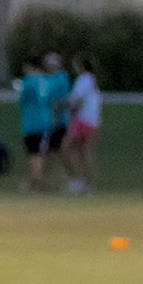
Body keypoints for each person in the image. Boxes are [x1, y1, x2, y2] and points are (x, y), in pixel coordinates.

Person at [18, 52, 72, 194]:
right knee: (42, 154)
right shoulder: (46, 80)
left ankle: (36, 185)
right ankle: (39, 183)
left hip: (32, 122)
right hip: (46, 121)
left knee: (35, 155)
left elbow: (22, 99)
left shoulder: (29, 81)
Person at [62, 51, 102, 194]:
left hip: (83, 121)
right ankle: (87, 184)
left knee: (66, 148)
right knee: (84, 153)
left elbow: (75, 101)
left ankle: (76, 181)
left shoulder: (83, 80)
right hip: (94, 121)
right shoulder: (92, 80)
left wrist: (61, 105)